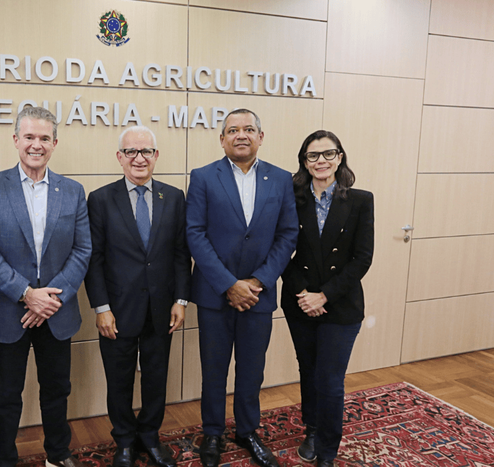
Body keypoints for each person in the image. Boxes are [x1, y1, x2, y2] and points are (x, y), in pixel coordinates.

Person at [0, 106, 91, 467]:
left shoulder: (72, 191)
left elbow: (83, 249)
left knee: (57, 390)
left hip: (57, 310)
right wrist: (27, 295)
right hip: (8, 311)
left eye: (44, 138)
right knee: (7, 395)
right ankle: (4, 459)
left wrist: (50, 298)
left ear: (54, 143)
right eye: (29, 137)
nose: (36, 145)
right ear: (16, 140)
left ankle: (58, 454)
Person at [186, 109, 297, 467]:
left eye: (249, 129)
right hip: (214, 295)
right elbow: (195, 234)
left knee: (252, 369)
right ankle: (213, 433)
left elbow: (288, 234)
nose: (241, 135)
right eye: (232, 130)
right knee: (214, 370)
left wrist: (258, 281)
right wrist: (228, 284)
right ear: (222, 139)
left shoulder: (281, 180)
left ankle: (247, 431)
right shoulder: (203, 177)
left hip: (259, 297)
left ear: (260, 137)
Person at [84, 126, 191, 467]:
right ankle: (125, 441)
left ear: (156, 156)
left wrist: (181, 300)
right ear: (120, 158)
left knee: (157, 376)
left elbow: (179, 253)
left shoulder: (174, 197)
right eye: (131, 152)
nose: (139, 158)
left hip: (162, 308)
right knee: (119, 379)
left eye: (146, 151)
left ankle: (150, 436)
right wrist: (101, 307)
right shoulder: (100, 199)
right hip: (117, 310)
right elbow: (94, 258)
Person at [281, 130, 374, 467]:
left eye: (328, 154)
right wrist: (303, 294)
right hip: (300, 301)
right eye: (312, 156)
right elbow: (282, 252)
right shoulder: (291, 197)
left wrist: (324, 295)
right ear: (304, 162)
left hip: (341, 304)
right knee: (309, 369)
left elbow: (362, 258)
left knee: (330, 379)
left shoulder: (361, 200)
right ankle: (312, 428)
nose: (320, 161)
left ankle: (328, 450)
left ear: (339, 157)